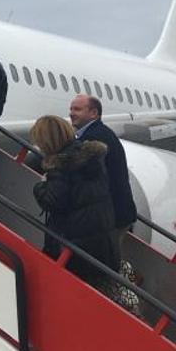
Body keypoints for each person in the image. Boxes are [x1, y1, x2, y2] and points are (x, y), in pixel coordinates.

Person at [30, 115, 120, 291]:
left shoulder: (62, 166)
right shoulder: (87, 158)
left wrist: (40, 186)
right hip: (101, 246)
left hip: (74, 251)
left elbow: (54, 201)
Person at [68, 94, 138, 244]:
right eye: (71, 109)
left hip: (111, 216)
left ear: (94, 113)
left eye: (77, 109)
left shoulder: (94, 137)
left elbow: (85, 173)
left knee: (101, 260)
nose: (72, 113)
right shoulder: (99, 132)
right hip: (116, 214)